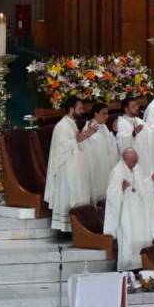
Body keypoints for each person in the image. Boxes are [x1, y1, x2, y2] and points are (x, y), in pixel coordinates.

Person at [104, 148, 154, 271]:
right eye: (133, 161)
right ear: (125, 159)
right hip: (127, 213)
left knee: (142, 238)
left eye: (136, 160)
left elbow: (139, 186)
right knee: (128, 239)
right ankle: (127, 269)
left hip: (140, 213)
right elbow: (111, 195)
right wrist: (121, 188)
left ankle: (142, 265)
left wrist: (150, 179)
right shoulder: (117, 171)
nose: (136, 163)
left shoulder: (137, 168)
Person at [45, 98, 93, 231]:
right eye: (79, 108)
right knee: (68, 196)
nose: (82, 111)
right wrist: (77, 139)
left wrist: (85, 136)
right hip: (65, 169)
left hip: (75, 166)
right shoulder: (62, 126)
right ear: (71, 109)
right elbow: (60, 148)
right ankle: (66, 228)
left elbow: (77, 143)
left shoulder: (72, 123)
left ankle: (76, 228)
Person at [80, 104, 119, 203]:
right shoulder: (88, 128)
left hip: (106, 166)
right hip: (96, 168)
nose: (107, 116)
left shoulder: (104, 127)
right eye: (103, 113)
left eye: (107, 113)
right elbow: (84, 148)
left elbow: (110, 145)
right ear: (95, 114)